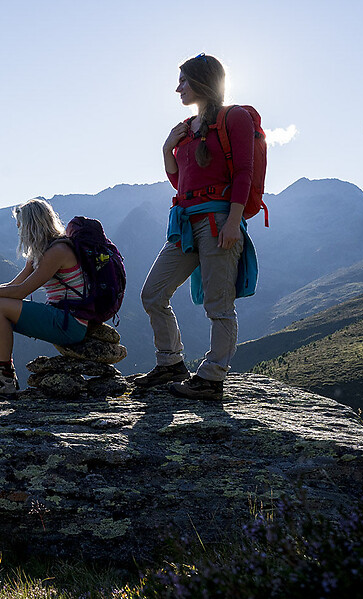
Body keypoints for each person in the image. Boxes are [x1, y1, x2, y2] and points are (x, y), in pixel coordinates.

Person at [135, 53, 258, 400]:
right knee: (153, 294)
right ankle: (171, 364)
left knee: (219, 305)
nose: (178, 89)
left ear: (203, 81)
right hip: (186, 222)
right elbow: (181, 183)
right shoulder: (186, 128)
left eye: (184, 81)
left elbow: (244, 173)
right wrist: (166, 150)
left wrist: (234, 221)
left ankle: (212, 378)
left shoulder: (234, 118)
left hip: (219, 220)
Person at [0, 198, 92, 397]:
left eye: (21, 226)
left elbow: (21, 291)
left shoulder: (58, 251)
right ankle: (3, 371)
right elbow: (13, 285)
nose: (19, 231)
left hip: (70, 323)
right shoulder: (41, 251)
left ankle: (4, 379)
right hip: (59, 316)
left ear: (32, 225)